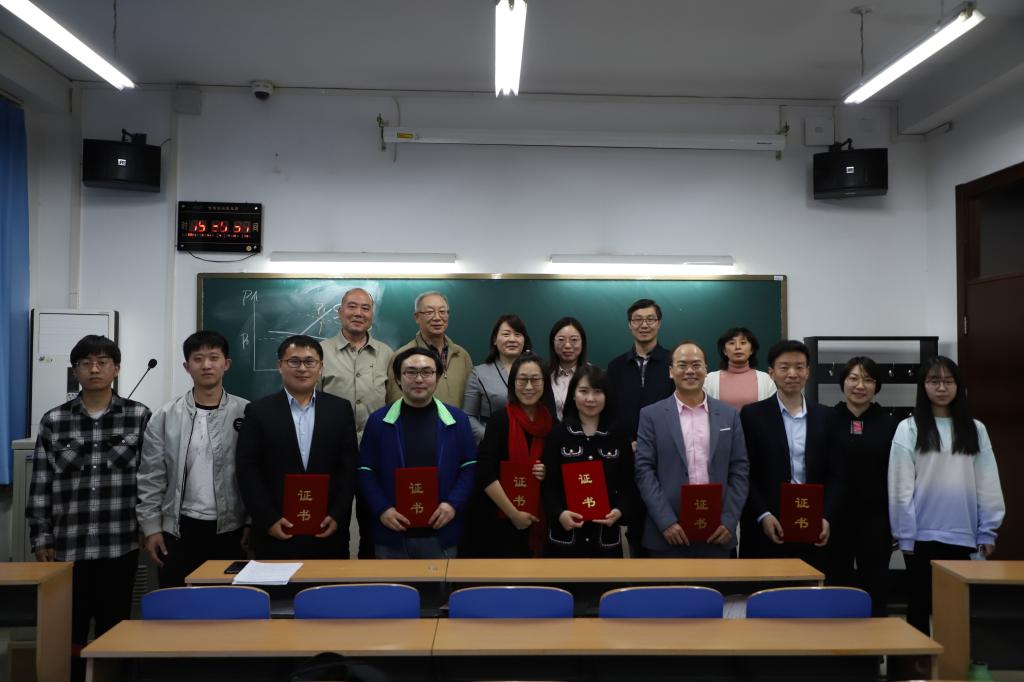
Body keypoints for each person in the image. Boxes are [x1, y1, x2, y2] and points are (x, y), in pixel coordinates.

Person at [27, 335, 150, 681]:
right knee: (70, 631)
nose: (94, 369)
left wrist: (148, 527)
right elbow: (41, 482)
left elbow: (151, 477)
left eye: (102, 362)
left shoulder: (139, 416)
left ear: (116, 368)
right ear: (75, 370)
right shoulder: (54, 420)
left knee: (117, 629)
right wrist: (41, 536)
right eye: (86, 363)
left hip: (120, 544)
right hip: (68, 547)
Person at [889, 356, 1005, 634]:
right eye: (934, 381)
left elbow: (988, 482)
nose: (941, 387)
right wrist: (905, 534)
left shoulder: (975, 429)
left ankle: (954, 661)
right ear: (923, 386)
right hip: (921, 536)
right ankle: (917, 660)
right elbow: (900, 487)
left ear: (958, 386)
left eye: (948, 381)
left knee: (957, 609)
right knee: (919, 605)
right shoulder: (909, 428)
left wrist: (988, 531)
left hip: (964, 535)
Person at [137, 330, 248, 588]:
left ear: (226, 364)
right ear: (187, 367)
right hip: (178, 529)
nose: (206, 365)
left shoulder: (246, 412)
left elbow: (255, 473)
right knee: (178, 604)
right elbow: (151, 475)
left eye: (213, 358)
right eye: (198, 359)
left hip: (231, 529)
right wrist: (151, 528)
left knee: (228, 605)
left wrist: (251, 524)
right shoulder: (165, 416)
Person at [236, 335, 358, 559]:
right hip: (275, 531)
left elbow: (348, 468)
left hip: (327, 530)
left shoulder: (340, 410)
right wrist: (268, 518)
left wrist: (337, 515)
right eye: (294, 361)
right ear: (280, 366)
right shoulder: (258, 411)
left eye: (310, 362)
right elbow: (247, 470)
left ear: (321, 367)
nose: (302, 368)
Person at [358, 348, 477, 558]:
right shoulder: (378, 421)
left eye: (427, 372)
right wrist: (382, 509)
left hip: (442, 530)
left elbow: (469, 468)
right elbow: (365, 470)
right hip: (392, 531)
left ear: (437, 377)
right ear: (398, 378)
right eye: (411, 372)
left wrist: (452, 504)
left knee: (441, 581)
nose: (419, 379)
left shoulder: (457, 420)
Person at [634, 341, 749, 558]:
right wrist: (666, 521)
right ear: (671, 372)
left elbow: (740, 470)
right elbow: (644, 471)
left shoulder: (729, 415)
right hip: (667, 533)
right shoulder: (651, 415)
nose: (689, 371)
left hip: (718, 532)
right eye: (682, 365)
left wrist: (729, 520)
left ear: (706, 370)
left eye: (696, 365)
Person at [739, 340, 840, 568]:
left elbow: (836, 474)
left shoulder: (827, 417)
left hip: (813, 525)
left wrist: (826, 517)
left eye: (799, 367)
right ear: (771, 372)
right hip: (768, 524)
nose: (792, 374)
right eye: (784, 367)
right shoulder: (752, 415)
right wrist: (763, 514)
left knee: (809, 588)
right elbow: (745, 473)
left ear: (808, 372)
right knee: (766, 587)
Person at [318, 287, 394, 559]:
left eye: (365, 308)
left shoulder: (387, 354)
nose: (358, 313)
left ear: (372, 315)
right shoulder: (320, 352)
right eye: (352, 306)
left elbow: (394, 405)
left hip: (375, 455)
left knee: (373, 524)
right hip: (331, 454)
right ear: (340, 312)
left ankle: (371, 578)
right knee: (332, 523)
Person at [460, 352, 552, 557]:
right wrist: (514, 514)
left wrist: (547, 471)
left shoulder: (552, 424)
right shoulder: (499, 420)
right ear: (513, 383)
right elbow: (485, 473)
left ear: (545, 383)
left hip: (539, 518)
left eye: (535, 379)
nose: (529, 386)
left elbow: (558, 473)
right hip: (497, 519)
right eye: (522, 379)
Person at [827, 357, 897, 616]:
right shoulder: (827, 419)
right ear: (843, 382)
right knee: (836, 585)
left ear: (876, 386)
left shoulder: (890, 424)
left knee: (875, 585)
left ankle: (876, 641)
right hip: (834, 519)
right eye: (853, 378)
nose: (860, 386)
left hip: (876, 519)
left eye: (868, 380)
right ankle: (836, 639)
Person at [542, 364, 635, 557]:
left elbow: (629, 484)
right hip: (565, 538)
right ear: (573, 395)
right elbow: (548, 486)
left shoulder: (618, 436)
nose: (590, 399)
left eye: (598, 392)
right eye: (583, 391)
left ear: (607, 396)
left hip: (604, 539)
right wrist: (559, 513)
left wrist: (619, 511)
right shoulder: (558, 434)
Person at [605, 298, 675, 557]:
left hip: (667, 456)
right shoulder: (615, 366)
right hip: (628, 456)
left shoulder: (673, 362)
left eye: (650, 319)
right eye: (637, 320)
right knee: (635, 528)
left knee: (666, 524)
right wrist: (626, 444)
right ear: (629, 325)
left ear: (659, 323)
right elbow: (610, 412)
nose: (644, 325)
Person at [387, 291, 472, 408]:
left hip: (456, 420)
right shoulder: (403, 355)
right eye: (429, 312)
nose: (437, 318)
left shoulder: (462, 355)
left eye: (442, 312)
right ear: (417, 317)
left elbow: (471, 400)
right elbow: (395, 403)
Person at [463, 314, 532, 444]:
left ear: (524, 340)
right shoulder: (479, 373)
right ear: (495, 340)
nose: (512, 339)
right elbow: (468, 416)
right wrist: (489, 436)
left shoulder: (536, 371)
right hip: (492, 442)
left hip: (530, 440)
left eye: (518, 335)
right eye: (506, 334)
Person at [704, 327, 776, 410]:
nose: (738, 347)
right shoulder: (710, 380)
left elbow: (773, 411)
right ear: (724, 351)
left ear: (752, 350)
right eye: (732, 343)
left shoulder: (766, 380)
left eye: (743, 343)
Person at [544, 317, 588, 420]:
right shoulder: (542, 373)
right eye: (561, 340)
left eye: (574, 340)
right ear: (552, 342)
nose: (567, 345)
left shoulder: (594, 375)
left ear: (582, 342)